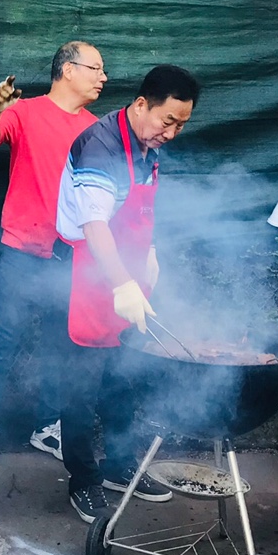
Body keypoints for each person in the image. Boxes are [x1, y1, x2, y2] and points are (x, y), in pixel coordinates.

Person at [55, 64, 200, 522]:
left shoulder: (145, 144)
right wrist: (122, 283)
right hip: (82, 274)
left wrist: (149, 255)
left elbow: (137, 212)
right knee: (80, 387)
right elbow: (95, 226)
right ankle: (83, 480)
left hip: (125, 275)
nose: (172, 133)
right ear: (141, 105)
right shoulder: (100, 146)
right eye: (167, 121)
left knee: (123, 379)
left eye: (181, 125)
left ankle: (119, 465)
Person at [0, 42, 105, 468]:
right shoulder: (25, 112)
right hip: (24, 249)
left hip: (71, 257)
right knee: (3, 342)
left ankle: (48, 428)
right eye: (95, 68)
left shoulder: (97, 128)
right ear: (66, 70)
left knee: (62, 347)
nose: (103, 77)